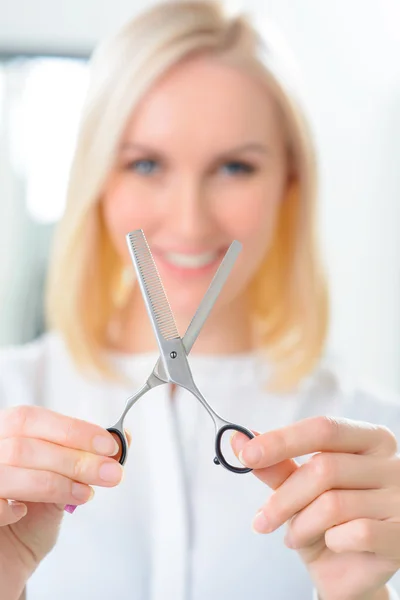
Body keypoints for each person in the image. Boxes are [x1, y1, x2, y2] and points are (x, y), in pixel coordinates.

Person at [1, 1, 400, 599]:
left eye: (235, 167)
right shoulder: (10, 404)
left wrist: (359, 596)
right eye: (145, 163)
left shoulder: (374, 457)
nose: (189, 221)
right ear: (96, 180)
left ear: (289, 183)